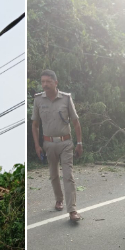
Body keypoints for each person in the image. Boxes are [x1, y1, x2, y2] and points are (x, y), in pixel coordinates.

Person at [31, 70, 83, 222]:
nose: (45, 85)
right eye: (43, 82)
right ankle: (58, 199)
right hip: (48, 144)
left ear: (55, 82)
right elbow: (35, 125)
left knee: (68, 176)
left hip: (66, 143)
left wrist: (79, 143)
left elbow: (75, 122)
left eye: (48, 81)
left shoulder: (66, 99)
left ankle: (72, 210)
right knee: (54, 175)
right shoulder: (38, 100)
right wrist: (37, 145)